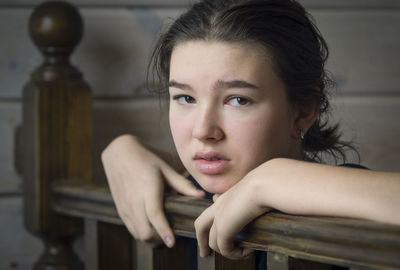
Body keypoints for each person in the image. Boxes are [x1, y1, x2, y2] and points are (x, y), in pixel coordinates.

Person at [101, 0, 400, 261]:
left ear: (304, 111)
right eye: (185, 98)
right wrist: (122, 149)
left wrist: (269, 180)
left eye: (238, 100)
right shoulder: (191, 191)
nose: (203, 130)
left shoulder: (349, 201)